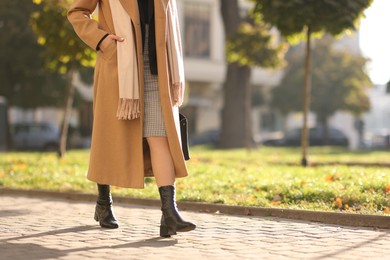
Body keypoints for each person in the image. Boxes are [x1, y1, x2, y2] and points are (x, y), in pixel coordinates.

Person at [67, 0, 195, 237]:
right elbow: (77, 12)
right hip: (119, 69)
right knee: (109, 138)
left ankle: (170, 213)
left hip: (158, 70)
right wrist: (102, 40)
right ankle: (103, 202)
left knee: (160, 139)